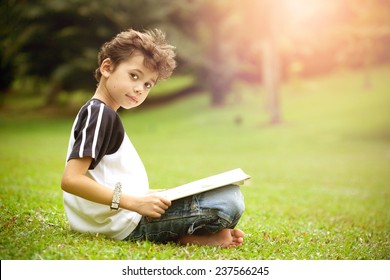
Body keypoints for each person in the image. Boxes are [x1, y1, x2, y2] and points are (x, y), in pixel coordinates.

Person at [61, 28, 245, 248]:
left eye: (148, 84)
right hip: (121, 222)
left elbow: (106, 179)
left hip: (119, 216)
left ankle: (190, 236)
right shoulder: (100, 114)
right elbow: (71, 180)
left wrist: (147, 195)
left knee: (223, 194)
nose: (139, 89)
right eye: (134, 76)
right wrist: (135, 202)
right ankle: (189, 237)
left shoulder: (103, 114)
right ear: (107, 67)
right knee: (229, 199)